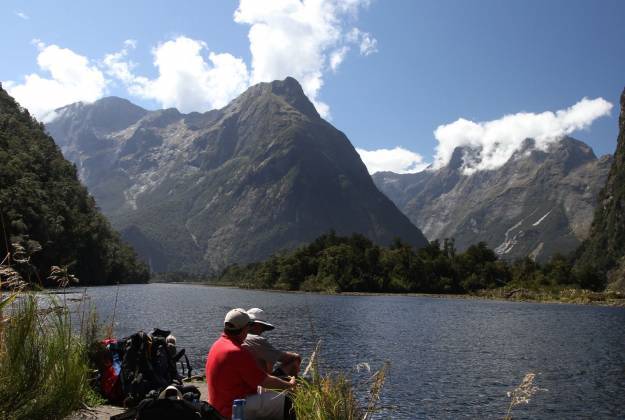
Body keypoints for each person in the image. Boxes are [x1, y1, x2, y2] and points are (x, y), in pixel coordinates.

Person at [205, 308, 296, 419]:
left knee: (267, 396)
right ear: (244, 329)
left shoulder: (218, 344)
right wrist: (290, 385)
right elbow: (265, 381)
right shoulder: (237, 352)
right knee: (288, 401)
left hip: (218, 405)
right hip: (233, 409)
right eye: (248, 328)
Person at [243, 308, 301, 377]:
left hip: (240, 377)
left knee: (268, 359)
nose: (263, 330)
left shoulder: (235, 336)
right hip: (256, 382)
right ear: (257, 325)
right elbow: (290, 357)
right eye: (263, 327)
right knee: (295, 359)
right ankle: (294, 385)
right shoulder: (256, 340)